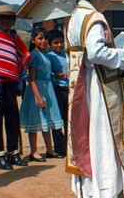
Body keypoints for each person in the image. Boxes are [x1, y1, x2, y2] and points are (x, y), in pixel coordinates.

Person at [66, 0, 124, 198]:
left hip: (81, 83)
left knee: (87, 133)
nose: (109, 3)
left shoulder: (74, 16)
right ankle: (107, 187)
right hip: (98, 85)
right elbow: (96, 52)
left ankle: (91, 187)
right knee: (103, 135)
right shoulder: (95, 18)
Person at [0, 5, 31, 170]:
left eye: (9, 18)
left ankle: (13, 152)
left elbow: (21, 58)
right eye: (2, 18)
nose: (5, 21)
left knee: (12, 119)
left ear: (13, 21)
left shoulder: (15, 37)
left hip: (11, 84)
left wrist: (20, 81)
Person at [20, 27, 64, 162]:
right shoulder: (33, 55)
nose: (43, 41)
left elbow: (46, 72)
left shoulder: (47, 54)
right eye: (40, 38)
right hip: (37, 91)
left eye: (45, 39)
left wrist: (56, 75)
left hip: (48, 88)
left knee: (47, 120)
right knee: (35, 121)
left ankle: (49, 149)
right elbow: (32, 79)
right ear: (33, 40)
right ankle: (33, 151)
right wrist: (38, 97)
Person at [48, 29, 68, 157]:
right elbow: (46, 73)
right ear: (50, 44)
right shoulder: (49, 56)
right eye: (55, 43)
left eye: (61, 42)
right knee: (57, 120)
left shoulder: (67, 55)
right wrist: (56, 75)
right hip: (56, 90)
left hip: (68, 90)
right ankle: (59, 148)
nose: (59, 45)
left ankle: (69, 146)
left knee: (68, 119)